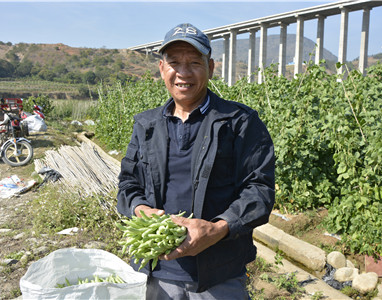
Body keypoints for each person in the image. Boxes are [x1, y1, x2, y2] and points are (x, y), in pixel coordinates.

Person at [117, 23, 275, 299]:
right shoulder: (146, 124)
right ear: (162, 69)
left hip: (219, 274)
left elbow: (260, 190)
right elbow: (128, 183)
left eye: (194, 63)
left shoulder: (240, 123)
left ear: (211, 68)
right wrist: (140, 209)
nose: (183, 73)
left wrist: (217, 229)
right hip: (155, 270)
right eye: (174, 62)